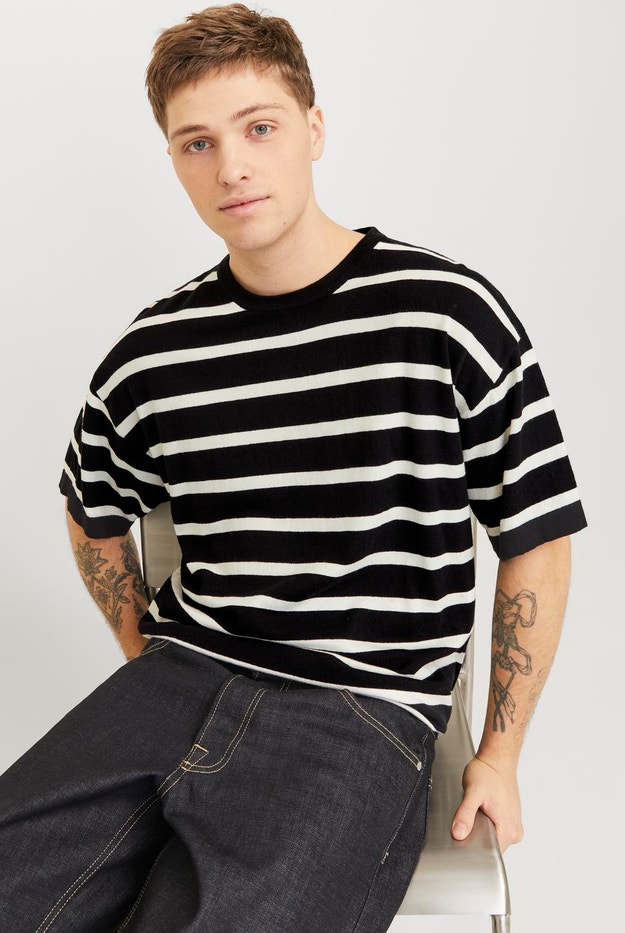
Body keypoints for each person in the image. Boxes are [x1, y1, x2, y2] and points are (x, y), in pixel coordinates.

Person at [0, 4, 587, 931]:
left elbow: (538, 533)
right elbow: (92, 503)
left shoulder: (445, 315)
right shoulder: (154, 351)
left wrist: (499, 754)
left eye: (259, 128)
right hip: (179, 678)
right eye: (197, 143)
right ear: (174, 161)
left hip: (360, 706)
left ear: (314, 129)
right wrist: (143, 652)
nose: (231, 166)